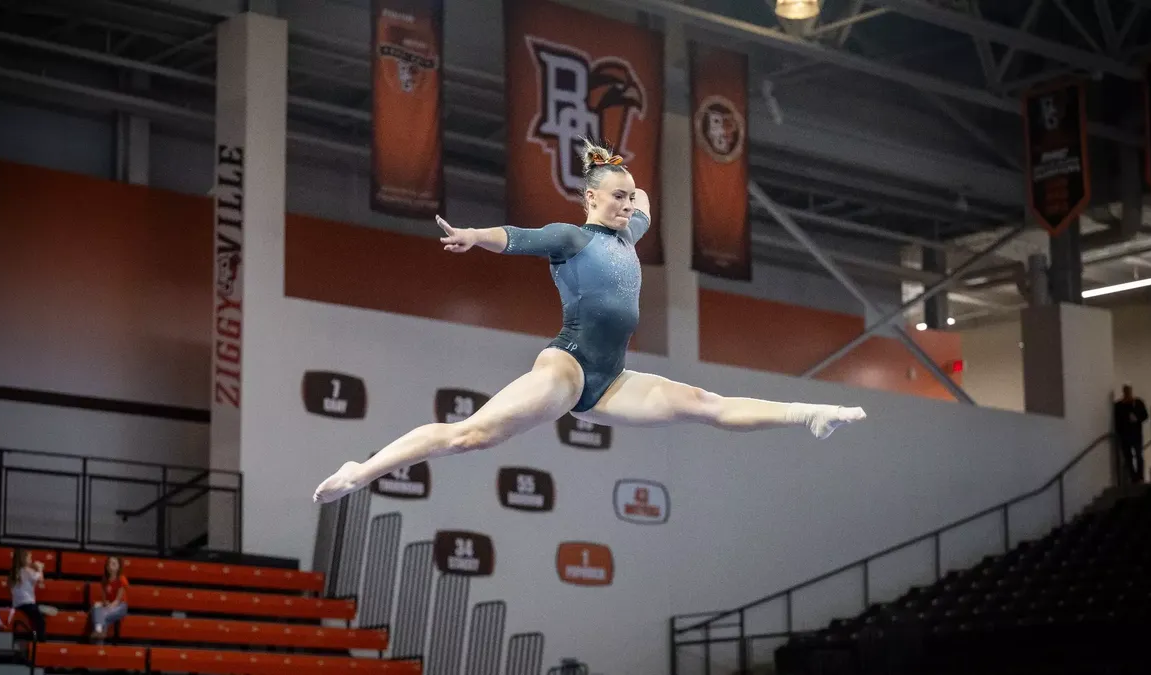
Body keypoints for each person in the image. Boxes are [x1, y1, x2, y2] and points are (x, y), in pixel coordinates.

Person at [313, 138, 867, 504]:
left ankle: (811, 413)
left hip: (611, 379)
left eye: (629, 198)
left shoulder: (630, 233)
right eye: (616, 198)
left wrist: (612, 166)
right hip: (570, 366)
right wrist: (472, 237)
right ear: (590, 199)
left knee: (705, 405)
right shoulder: (571, 237)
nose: (628, 205)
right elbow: (517, 238)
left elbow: (645, 196)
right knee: (470, 436)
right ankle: (360, 472)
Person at [8, 548, 46, 642]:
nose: (31, 559)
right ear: (23, 558)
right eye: (29, 557)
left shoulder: (13, 572)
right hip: (27, 603)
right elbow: (40, 579)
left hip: (17, 604)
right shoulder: (27, 570)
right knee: (41, 622)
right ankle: (40, 644)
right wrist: (40, 568)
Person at [1114, 384, 1149, 483]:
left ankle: (1140, 477)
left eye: (1129, 391)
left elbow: (1145, 415)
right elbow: (1117, 421)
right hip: (1125, 435)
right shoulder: (1119, 405)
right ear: (1123, 392)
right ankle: (1134, 478)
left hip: (1136, 434)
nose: (1127, 393)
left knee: (1138, 455)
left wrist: (1137, 418)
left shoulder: (1137, 402)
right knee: (1128, 457)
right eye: (1126, 391)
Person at [88, 556, 128, 642]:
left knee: (100, 613)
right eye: (109, 563)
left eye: (114, 564)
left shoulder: (121, 579)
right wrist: (103, 604)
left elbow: (118, 600)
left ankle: (98, 630)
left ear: (118, 566)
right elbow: (104, 599)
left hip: (120, 606)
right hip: (109, 605)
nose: (111, 566)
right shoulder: (104, 580)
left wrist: (107, 607)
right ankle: (99, 636)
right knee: (97, 608)